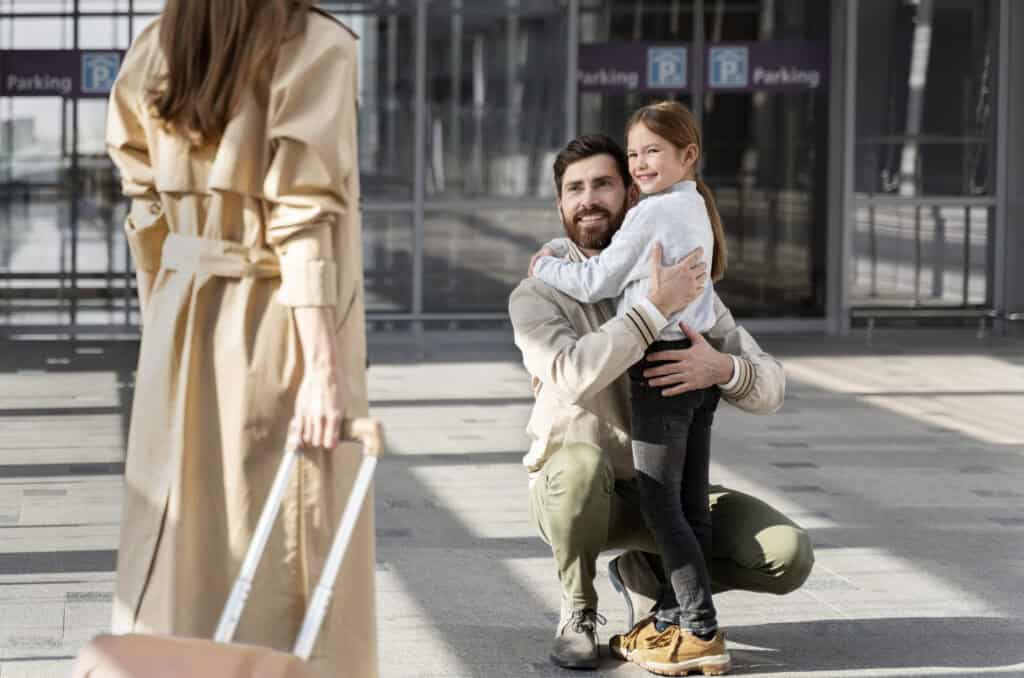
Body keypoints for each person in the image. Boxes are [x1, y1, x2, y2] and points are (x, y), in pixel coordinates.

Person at [105, 2, 376, 675]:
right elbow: (303, 216)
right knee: (286, 549)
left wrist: (162, 318)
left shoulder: (157, 45)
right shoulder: (314, 45)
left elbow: (143, 203)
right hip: (275, 322)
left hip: (180, 319)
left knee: (179, 547)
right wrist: (322, 368)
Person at [509, 133, 814, 674]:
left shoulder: (689, 285)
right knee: (578, 468)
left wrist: (723, 369)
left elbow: (771, 387)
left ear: (631, 196)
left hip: (663, 489)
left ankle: (654, 584)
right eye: (574, 189)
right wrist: (651, 312)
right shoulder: (539, 293)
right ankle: (578, 610)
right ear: (560, 205)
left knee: (786, 556)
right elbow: (570, 374)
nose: (588, 199)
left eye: (603, 184)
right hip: (582, 493)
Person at [530, 101, 730, 671]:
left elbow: (596, 281)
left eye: (653, 153)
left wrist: (544, 263)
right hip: (694, 364)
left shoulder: (650, 214)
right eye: (636, 152)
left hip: (662, 368)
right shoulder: (693, 207)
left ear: (687, 155)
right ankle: (671, 617)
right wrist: (714, 364)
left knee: (663, 505)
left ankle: (699, 629)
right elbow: (709, 308)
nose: (643, 163)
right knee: (692, 507)